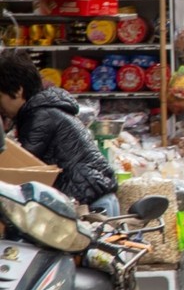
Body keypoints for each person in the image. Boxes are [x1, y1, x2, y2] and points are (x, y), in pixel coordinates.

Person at [0, 48, 118, 213]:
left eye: (0, 97)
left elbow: (23, 168)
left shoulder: (40, 116)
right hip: (98, 196)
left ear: (18, 90)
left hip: (92, 204)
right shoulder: (43, 110)